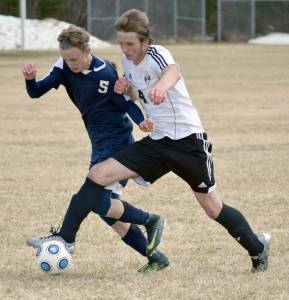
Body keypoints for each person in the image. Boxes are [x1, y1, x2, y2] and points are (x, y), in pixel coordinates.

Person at [82, 9, 270, 273]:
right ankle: (135, 227)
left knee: (213, 208)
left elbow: (173, 70)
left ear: (145, 42)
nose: (125, 49)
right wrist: (127, 90)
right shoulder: (128, 62)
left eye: (130, 44)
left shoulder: (157, 54)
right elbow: (137, 96)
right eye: (121, 43)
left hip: (188, 143)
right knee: (98, 174)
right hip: (157, 142)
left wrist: (163, 86)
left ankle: (258, 248)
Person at [22, 25, 169, 273]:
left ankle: (65, 238)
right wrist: (30, 80)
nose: (71, 64)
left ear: (87, 50)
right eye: (67, 59)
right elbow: (37, 92)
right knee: (105, 209)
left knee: (89, 197)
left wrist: (141, 121)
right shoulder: (63, 67)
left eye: (75, 59)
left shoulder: (106, 73)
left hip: (117, 140)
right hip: (98, 142)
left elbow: (124, 103)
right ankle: (156, 257)